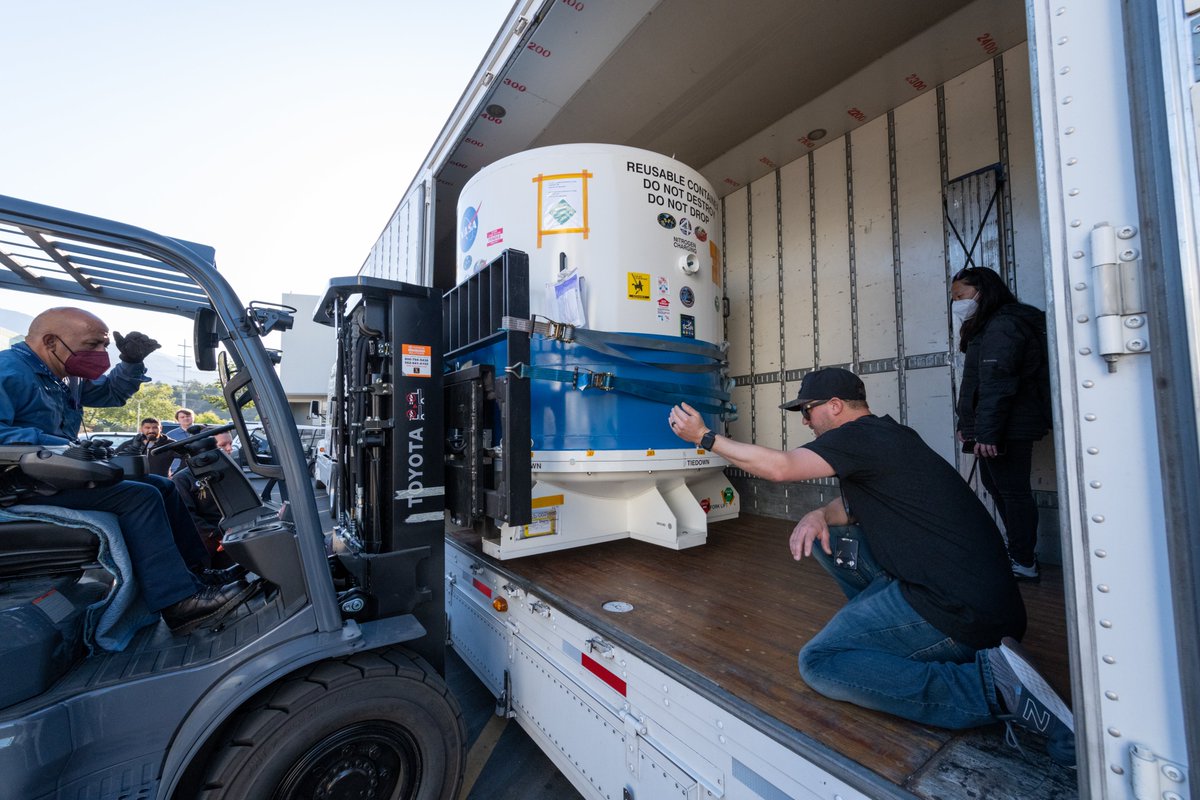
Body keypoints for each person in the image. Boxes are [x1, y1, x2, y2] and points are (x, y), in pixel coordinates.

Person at [668, 367, 1074, 765]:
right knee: (830, 541)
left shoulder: (855, 437)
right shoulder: (888, 435)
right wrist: (819, 515)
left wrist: (705, 437)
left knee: (821, 662)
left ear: (835, 406)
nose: (805, 421)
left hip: (960, 611)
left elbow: (780, 468)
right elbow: (851, 506)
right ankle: (904, 643)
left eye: (806, 411)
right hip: (973, 596)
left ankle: (994, 688)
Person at [0, 307, 253, 635]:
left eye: (104, 346)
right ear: (51, 341)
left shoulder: (66, 376)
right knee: (140, 497)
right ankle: (178, 604)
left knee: (162, 486)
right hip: (19, 483)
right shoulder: (9, 371)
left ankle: (197, 577)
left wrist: (131, 363)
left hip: (55, 474)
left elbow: (111, 392)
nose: (100, 354)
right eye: (93, 344)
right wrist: (59, 446)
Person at [951, 267, 1052, 581]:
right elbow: (979, 384)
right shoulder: (989, 325)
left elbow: (997, 381)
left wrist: (987, 431)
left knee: (1012, 491)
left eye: (960, 296)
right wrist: (968, 423)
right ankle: (1020, 553)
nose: (956, 303)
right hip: (996, 424)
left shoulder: (1003, 325)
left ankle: (1023, 559)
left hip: (1007, 425)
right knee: (998, 486)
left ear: (981, 291)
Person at [171, 428, 236, 568]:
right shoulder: (182, 479)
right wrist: (216, 535)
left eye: (230, 444)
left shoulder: (229, 472)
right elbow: (187, 515)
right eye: (222, 445)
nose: (229, 449)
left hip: (233, 538)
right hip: (206, 544)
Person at [166, 407, 196, 475]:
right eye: (182, 417)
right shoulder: (170, 435)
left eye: (188, 416)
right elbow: (166, 456)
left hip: (202, 467)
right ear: (178, 420)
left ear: (193, 417)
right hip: (177, 471)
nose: (186, 418)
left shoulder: (203, 431)